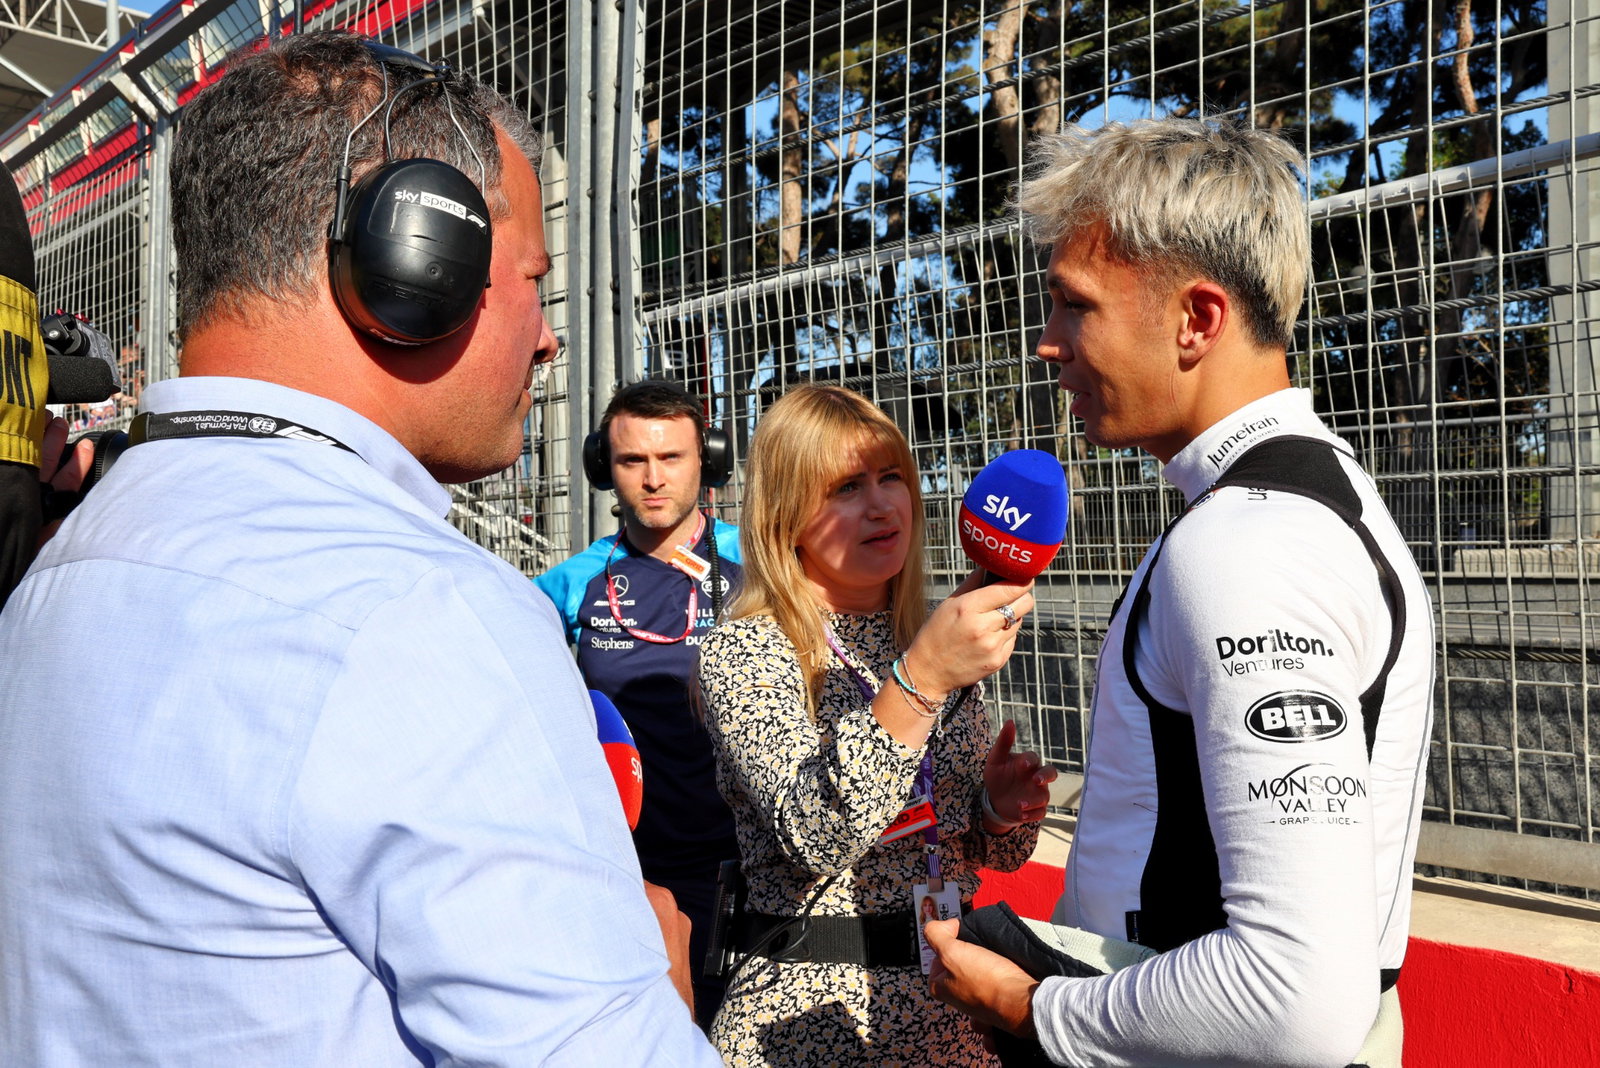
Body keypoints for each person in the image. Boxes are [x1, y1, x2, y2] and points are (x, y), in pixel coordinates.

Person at [0, 32, 719, 1066]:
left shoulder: (62, 572)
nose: (548, 336)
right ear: (415, 257)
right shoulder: (416, 616)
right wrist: (653, 996)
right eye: (532, 277)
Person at [925, 118, 1436, 1068]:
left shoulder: (1251, 546)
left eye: (1074, 305)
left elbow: (1297, 997)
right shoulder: (1290, 506)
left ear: (1197, 320)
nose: (1049, 344)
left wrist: (1036, 1010)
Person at [698, 383, 1057, 1066]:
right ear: (785, 515)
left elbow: (983, 853)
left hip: (956, 1014)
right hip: (806, 1025)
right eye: (845, 488)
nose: (881, 503)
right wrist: (920, 680)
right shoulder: (744, 650)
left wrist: (1000, 811)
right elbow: (815, 833)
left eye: (891, 476)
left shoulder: (923, 639)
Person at [535, 377, 743, 1026]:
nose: (653, 479)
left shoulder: (766, 562)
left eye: (671, 458)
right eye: (633, 460)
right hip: (627, 874)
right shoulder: (570, 584)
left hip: (745, 868)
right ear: (604, 466)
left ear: (705, 461)